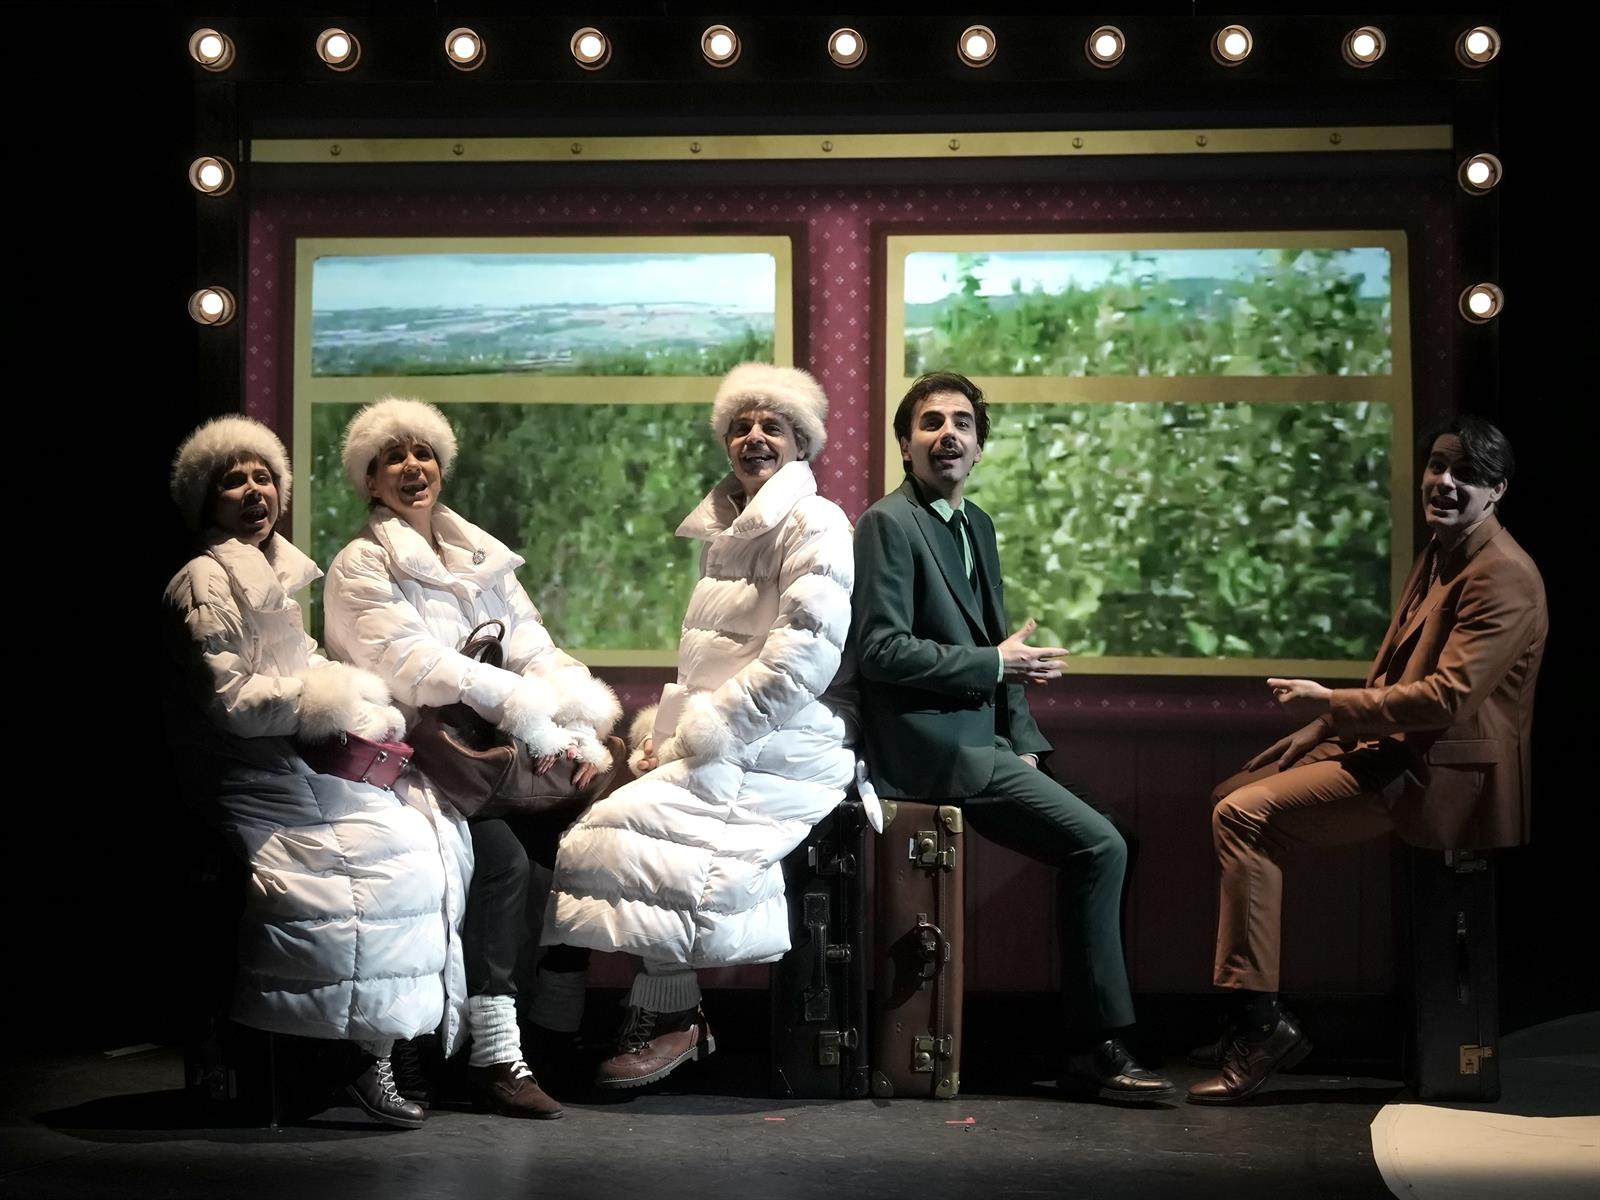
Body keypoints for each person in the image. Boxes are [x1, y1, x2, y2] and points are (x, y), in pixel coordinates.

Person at [1190, 414, 1547, 1103]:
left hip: (1440, 771)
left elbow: (1446, 698)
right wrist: (1323, 724)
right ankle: (1254, 1012)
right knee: (1228, 794)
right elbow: (1401, 673)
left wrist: (1333, 702)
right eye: (1438, 466)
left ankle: (1262, 1027)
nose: (1444, 483)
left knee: (1242, 817)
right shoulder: (1445, 548)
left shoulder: (1502, 575)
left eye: (1466, 474)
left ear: (1498, 490)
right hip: (1394, 747)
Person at [851, 371, 1175, 1105]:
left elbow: (1002, 645)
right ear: (905, 445)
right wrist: (995, 665)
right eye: (930, 422)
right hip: (933, 750)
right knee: (1101, 846)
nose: (948, 434)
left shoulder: (977, 525)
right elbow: (881, 651)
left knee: (1114, 838)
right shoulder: (887, 524)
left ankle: (1089, 1036)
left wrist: (1024, 739)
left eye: (962, 423)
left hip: (986, 742)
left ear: (980, 448)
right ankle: (1097, 1047)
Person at [544, 363, 857, 1089]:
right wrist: (671, 732)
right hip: (732, 730)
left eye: (772, 426)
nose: (754, 438)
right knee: (618, 820)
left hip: (788, 735)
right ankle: (631, 1018)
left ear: (801, 443)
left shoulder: (814, 521)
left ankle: (675, 1019)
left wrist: (705, 732)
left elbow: (803, 658)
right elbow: (709, 665)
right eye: (740, 427)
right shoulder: (730, 528)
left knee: (635, 829)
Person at [323, 397, 620, 1119]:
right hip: (416, 762)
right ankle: (492, 1054)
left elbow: (532, 644)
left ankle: (551, 1034)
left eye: (423, 453)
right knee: (503, 864)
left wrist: (573, 722)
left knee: (584, 840)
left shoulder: (479, 557)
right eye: (393, 457)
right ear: (369, 480)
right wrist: (524, 712)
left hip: (488, 757)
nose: (412, 467)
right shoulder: (361, 563)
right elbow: (413, 665)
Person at [162, 415, 462, 1130]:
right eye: (234, 480)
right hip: (243, 772)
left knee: (417, 840)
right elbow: (231, 701)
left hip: (287, 762)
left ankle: (373, 1048)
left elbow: (295, 664)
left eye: (264, 477)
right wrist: (323, 699)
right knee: (361, 870)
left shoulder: (274, 570)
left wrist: (356, 694)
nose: (254, 491)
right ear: (207, 499)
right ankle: (358, 1060)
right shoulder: (205, 579)